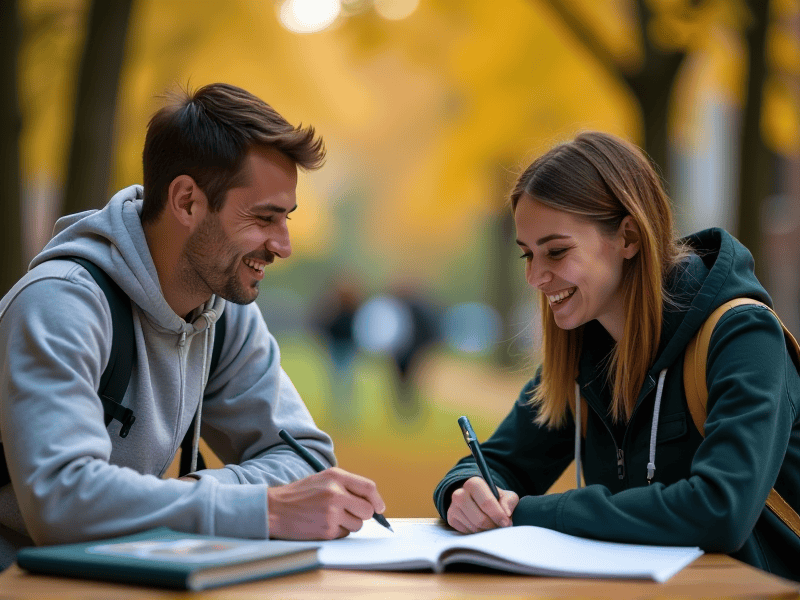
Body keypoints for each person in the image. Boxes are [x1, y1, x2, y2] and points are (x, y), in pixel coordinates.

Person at [0, 83, 387, 569]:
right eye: (264, 218)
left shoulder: (223, 313)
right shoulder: (61, 304)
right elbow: (61, 501)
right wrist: (260, 508)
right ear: (186, 202)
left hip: (117, 577)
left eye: (286, 218)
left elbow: (305, 459)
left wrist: (195, 494)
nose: (284, 245)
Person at [433, 131, 800, 581]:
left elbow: (721, 510)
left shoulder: (743, 337)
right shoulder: (584, 356)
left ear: (628, 237)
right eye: (527, 255)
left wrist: (534, 512)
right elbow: (498, 464)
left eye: (556, 251)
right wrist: (463, 493)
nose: (535, 277)